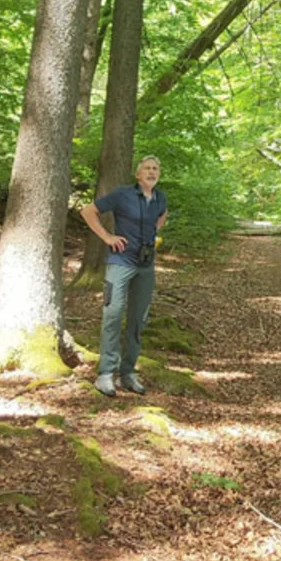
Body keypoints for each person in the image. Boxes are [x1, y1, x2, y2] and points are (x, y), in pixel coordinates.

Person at [82, 156, 168, 397]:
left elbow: (163, 214)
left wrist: (153, 234)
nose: (152, 172)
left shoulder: (160, 197)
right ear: (137, 174)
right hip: (120, 263)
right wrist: (108, 237)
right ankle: (105, 374)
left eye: (155, 168)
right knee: (112, 314)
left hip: (146, 266)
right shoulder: (122, 195)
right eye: (147, 169)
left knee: (138, 320)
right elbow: (88, 211)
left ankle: (127, 373)